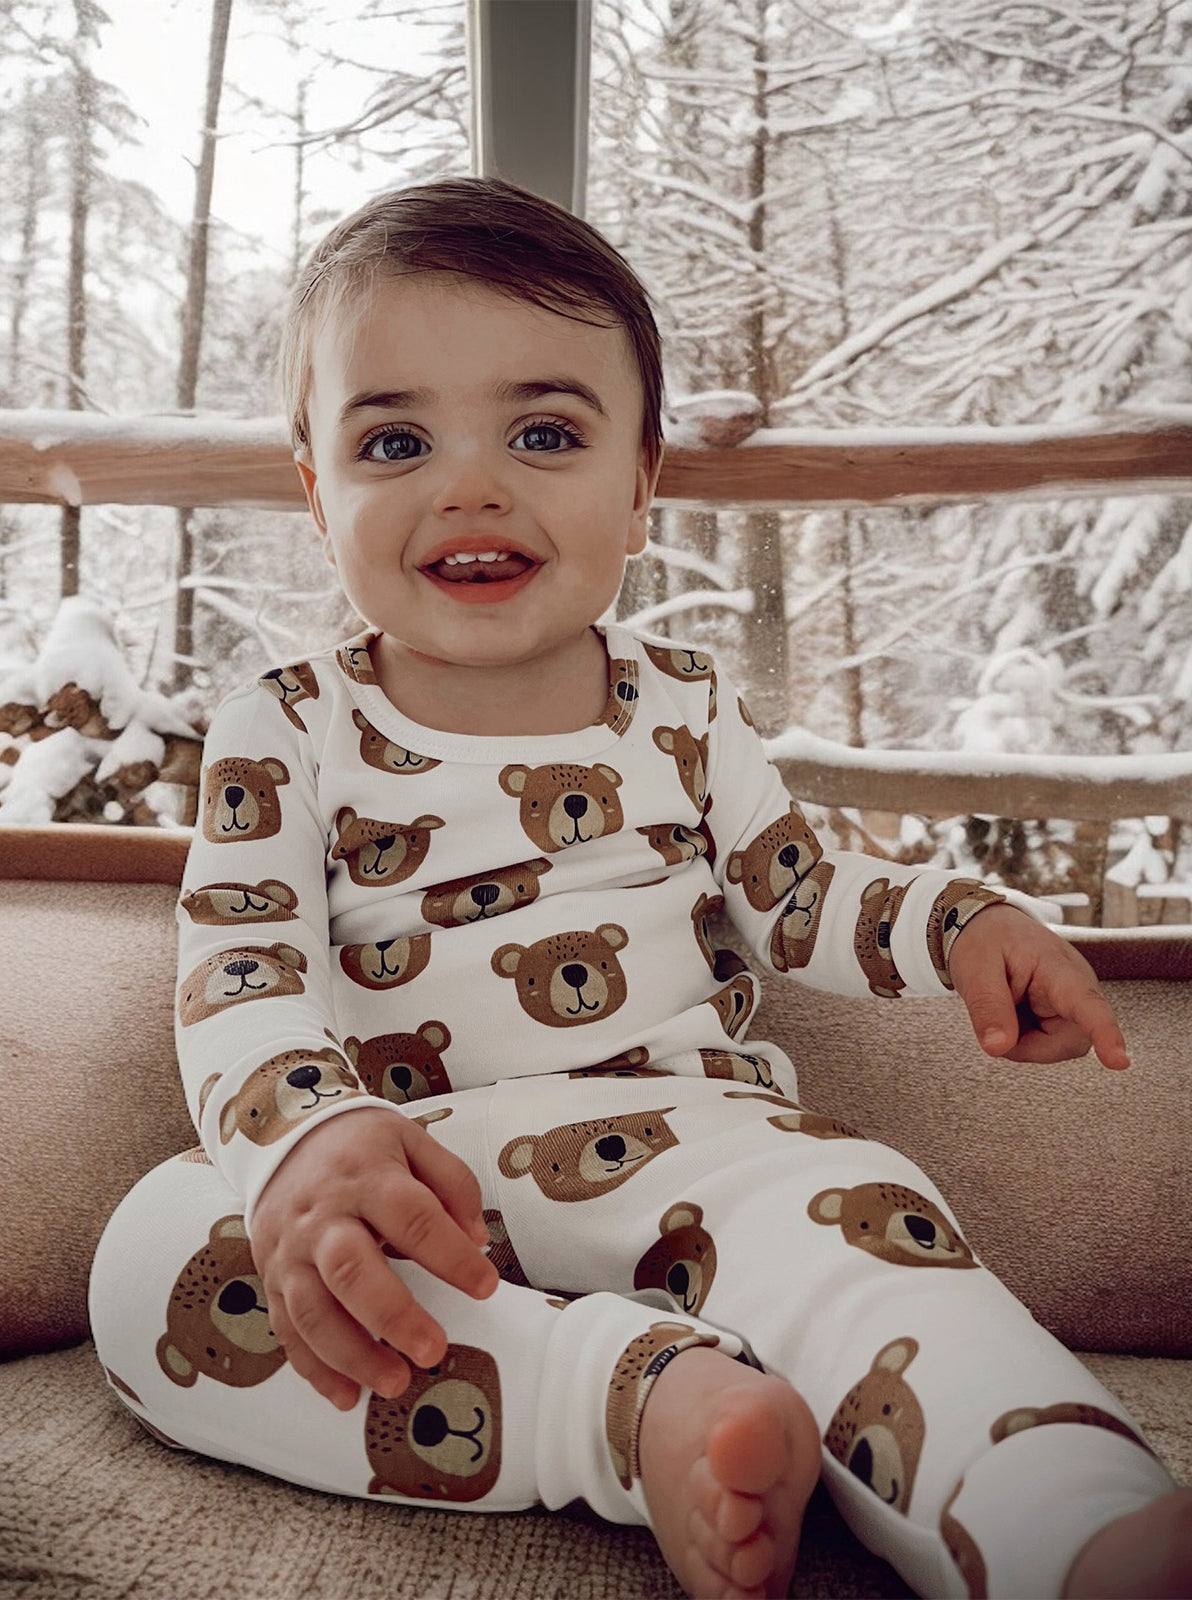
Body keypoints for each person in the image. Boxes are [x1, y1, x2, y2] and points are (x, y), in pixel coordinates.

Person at [89, 176, 1190, 1600]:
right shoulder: (286, 724)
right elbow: (237, 964)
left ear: (642, 481)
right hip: (414, 1175)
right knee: (158, 1264)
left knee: (867, 1233)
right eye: (396, 440)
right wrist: (307, 1144)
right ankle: (631, 1408)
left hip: (703, 1151)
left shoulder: (679, 706)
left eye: (544, 434)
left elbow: (798, 897)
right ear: (318, 489)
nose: (470, 486)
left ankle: (1077, 1520)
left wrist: (955, 922)